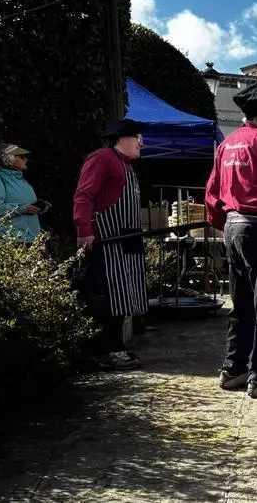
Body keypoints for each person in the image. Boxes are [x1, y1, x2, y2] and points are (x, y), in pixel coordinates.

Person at [205, 79, 257, 396]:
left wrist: (222, 225)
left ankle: (233, 369)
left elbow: (212, 193)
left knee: (240, 305)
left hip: (233, 226)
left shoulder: (227, 144)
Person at [73, 118, 149, 371]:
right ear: (121, 139)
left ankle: (117, 346)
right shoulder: (102, 158)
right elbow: (84, 195)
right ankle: (107, 350)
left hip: (127, 238)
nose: (141, 143)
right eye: (137, 138)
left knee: (125, 294)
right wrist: (84, 230)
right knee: (110, 296)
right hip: (109, 239)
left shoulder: (127, 167)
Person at [0, 143, 44, 243]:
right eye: (22, 157)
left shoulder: (22, 181)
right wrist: (22, 209)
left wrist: (39, 207)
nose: (26, 160)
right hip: (8, 241)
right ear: (9, 159)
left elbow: (26, 207)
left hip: (31, 240)